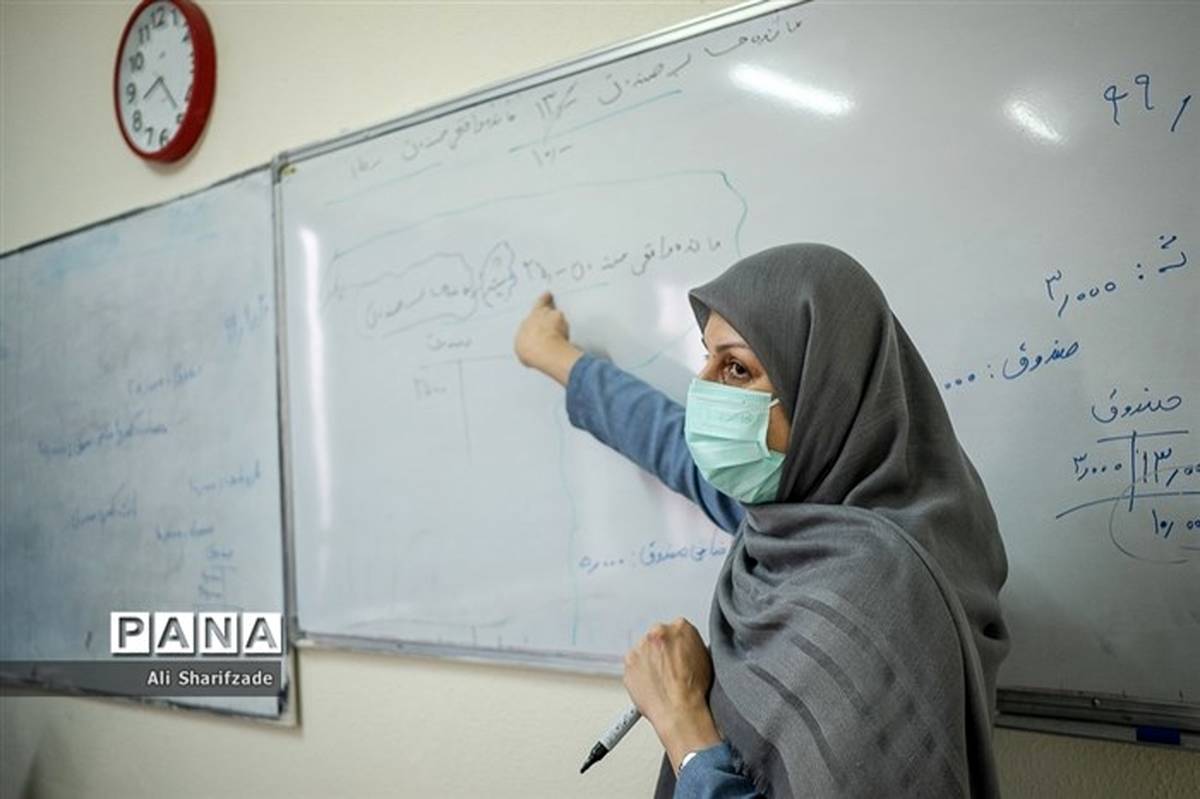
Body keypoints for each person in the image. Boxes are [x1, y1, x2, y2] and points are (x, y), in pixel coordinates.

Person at [514, 243, 1009, 798]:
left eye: (735, 368)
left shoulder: (880, 588)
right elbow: (673, 446)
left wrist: (682, 724)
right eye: (706, 358)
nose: (703, 388)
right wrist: (557, 358)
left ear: (823, 392)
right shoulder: (826, 516)